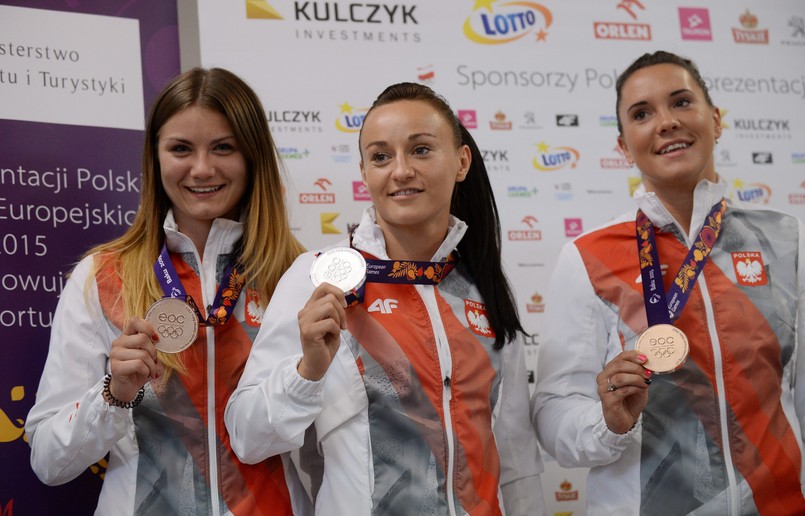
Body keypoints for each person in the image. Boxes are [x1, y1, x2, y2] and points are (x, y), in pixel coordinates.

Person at [225, 82, 545, 515]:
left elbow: (515, 456)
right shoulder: (316, 278)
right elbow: (247, 438)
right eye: (380, 156)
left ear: (461, 161)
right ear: (363, 172)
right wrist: (306, 372)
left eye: (421, 150)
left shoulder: (482, 284)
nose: (400, 171)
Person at [25, 67, 310, 515]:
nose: (202, 168)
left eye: (223, 147)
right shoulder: (102, 274)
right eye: (181, 148)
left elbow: (340, 446)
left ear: (252, 156)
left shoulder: (298, 275)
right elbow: (47, 459)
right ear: (155, 159)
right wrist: (113, 395)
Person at [532, 50, 805, 515]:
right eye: (642, 113)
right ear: (623, 146)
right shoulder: (587, 257)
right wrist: (608, 421)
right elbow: (553, 413)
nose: (666, 122)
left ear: (715, 120)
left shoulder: (785, 240)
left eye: (681, 102)